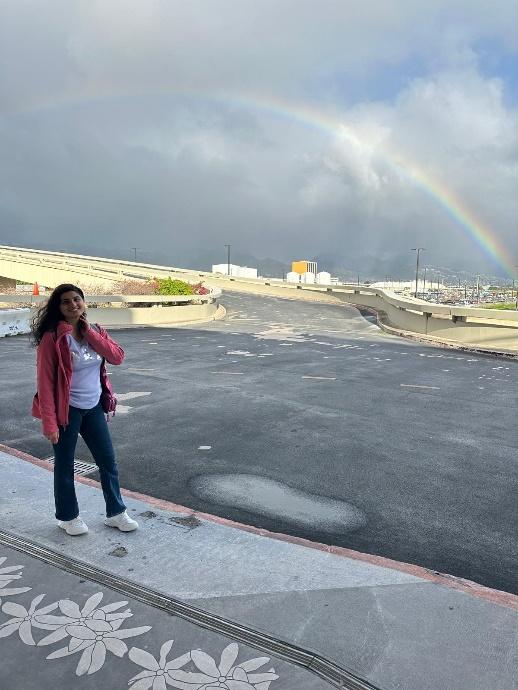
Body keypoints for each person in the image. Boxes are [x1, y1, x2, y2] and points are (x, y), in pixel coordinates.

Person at [31, 283, 138, 536]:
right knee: (65, 465)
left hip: (93, 407)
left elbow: (117, 357)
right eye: (65, 301)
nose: (72, 305)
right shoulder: (53, 338)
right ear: (58, 307)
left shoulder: (96, 330)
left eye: (77, 299)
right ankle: (68, 517)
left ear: (84, 302)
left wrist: (89, 332)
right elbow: (45, 383)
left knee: (107, 461)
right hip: (66, 410)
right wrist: (49, 423)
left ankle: (116, 512)